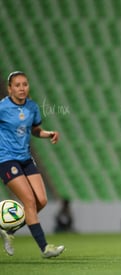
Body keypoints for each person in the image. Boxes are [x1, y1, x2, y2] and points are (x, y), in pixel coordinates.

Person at [0, 71, 65, 258]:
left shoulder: (32, 107)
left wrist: (48, 134)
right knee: (28, 201)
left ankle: (9, 229)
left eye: (25, 84)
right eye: (17, 85)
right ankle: (45, 248)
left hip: (25, 158)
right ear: (9, 88)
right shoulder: (2, 107)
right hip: (6, 159)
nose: (22, 88)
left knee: (41, 201)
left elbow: (35, 130)